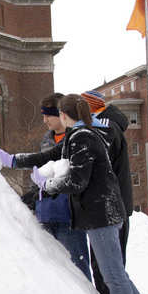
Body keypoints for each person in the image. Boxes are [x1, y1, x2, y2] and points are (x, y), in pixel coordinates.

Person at [0, 95, 148, 294]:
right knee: (115, 273)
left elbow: (77, 181)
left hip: (101, 214)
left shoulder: (83, 138)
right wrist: (14, 160)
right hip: (100, 212)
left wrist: (46, 185)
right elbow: (48, 155)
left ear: (64, 115)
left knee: (112, 275)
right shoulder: (78, 135)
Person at [81, 89, 134, 294]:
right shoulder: (107, 126)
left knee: (110, 271)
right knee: (111, 269)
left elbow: (96, 171)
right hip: (114, 207)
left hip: (109, 209)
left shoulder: (105, 129)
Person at [28, 93, 91, 280]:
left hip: (69, 218)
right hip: (46, 215)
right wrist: (33, 195)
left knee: (78, 272)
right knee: (53, 276)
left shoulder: (78, 139)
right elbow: (42, 173)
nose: (44, 120)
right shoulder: (46, 141)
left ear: (62, 114)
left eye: (49, 115)